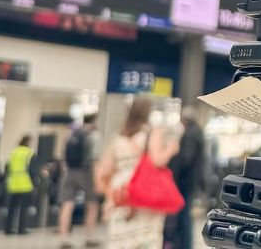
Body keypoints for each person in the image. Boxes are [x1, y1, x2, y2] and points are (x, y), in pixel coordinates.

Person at [96, 96, 177, 249]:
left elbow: (104, 169)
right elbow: (157, 161)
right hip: (144, 189)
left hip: (120, 190)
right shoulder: (152, 132)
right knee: (145, 239)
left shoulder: (117, 137)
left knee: (121, 239)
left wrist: (108, 196)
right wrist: (171, 149)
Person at [165, 108, 207, 249]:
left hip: (185, 181)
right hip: (192, 180)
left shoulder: (190, 133)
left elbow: (186, 158)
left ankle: (184, 244)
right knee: (185, 212)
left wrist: (173, 163)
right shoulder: (198, 132)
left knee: (183, 214)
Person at [58, 115, 101, 249]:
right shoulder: (94, 135)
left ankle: (64, 238)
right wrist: (97, 179)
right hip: (87, 172)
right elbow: (95, 158)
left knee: (67, 204)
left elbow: (63, 155)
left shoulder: (72, 133)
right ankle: (89, 237)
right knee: (92, 205)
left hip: (70, 172)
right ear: (94, 121)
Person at [4, 134, 35, 236]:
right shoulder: (29, 153)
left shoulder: (14, 152)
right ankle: (21, 229)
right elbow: (32, 170)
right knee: (23, 208)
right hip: (25, 183)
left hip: (13, 183)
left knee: (12, 208)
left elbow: (7, 167)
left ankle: (8, 229)